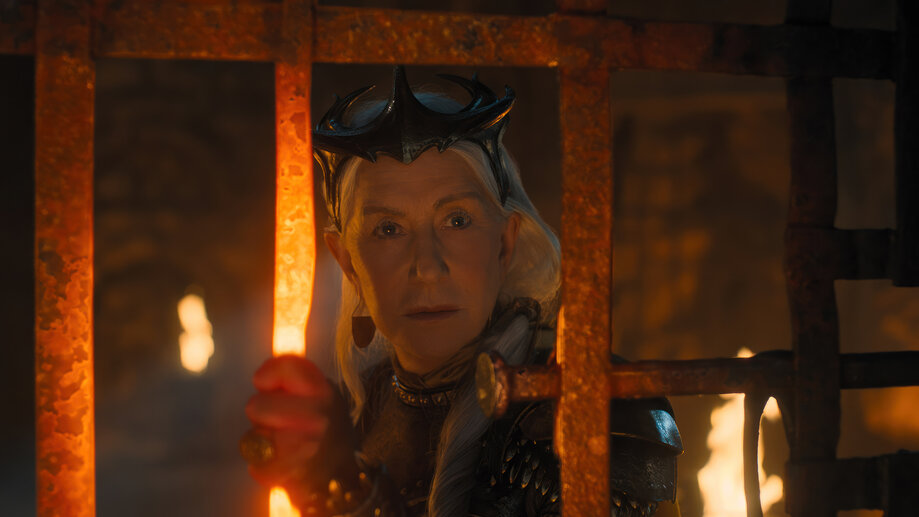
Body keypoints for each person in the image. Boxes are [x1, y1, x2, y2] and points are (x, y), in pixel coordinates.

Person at [242, 66, 682, 517]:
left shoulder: (599, 407)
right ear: (348, 262)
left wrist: (343, 487)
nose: (427, 267)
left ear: (505, 243)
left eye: (457, 220)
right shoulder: (356, 417)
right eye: (388, 228)